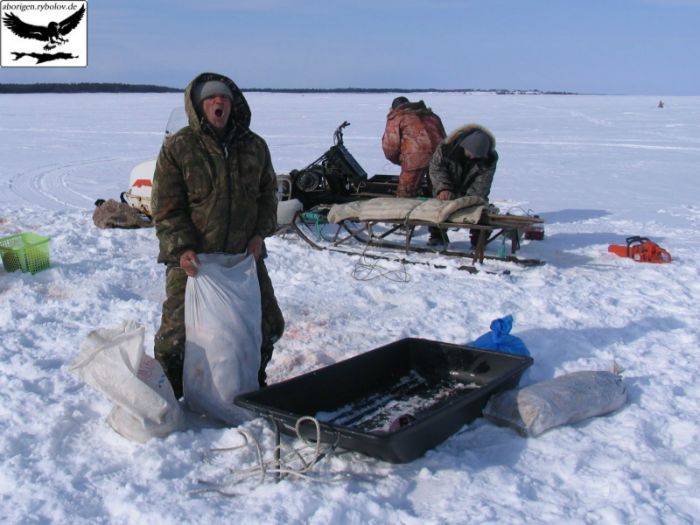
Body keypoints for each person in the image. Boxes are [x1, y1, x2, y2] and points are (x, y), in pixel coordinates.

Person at [152, 72, 285, 398]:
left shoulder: (255, 147)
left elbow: (269, 195)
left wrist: (259, 235)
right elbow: (166, 208)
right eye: (210, 98)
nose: (218, 103)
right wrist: (181, 248)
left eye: (224, 97)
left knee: (268, 323)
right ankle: (170, 394)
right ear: (198, 106)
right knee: (176, 332)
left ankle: (250, 381)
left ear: (234, 103)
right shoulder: (179, 148)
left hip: (243, 257)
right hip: (194, 260)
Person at [427, 124, 498, 245]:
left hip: (470, 189)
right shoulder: (446, 149)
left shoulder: (489, 158)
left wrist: (470, 200)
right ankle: (437, 235)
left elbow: (483, 182)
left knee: (479, 210)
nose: (473, 157)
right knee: (439, 206)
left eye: (477, 156)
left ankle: (479, 239)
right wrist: (443, 188)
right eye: (471, 153)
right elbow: (436, 169)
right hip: (448, 184)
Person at [381, 96, 446, 198]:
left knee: (405, 195)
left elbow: (390, 148)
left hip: (415, 159)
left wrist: (402, 161)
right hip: (440, 157)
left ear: (393, 109)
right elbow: (443, 137)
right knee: (440, 191)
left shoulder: (397, 118)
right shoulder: (432, 116)